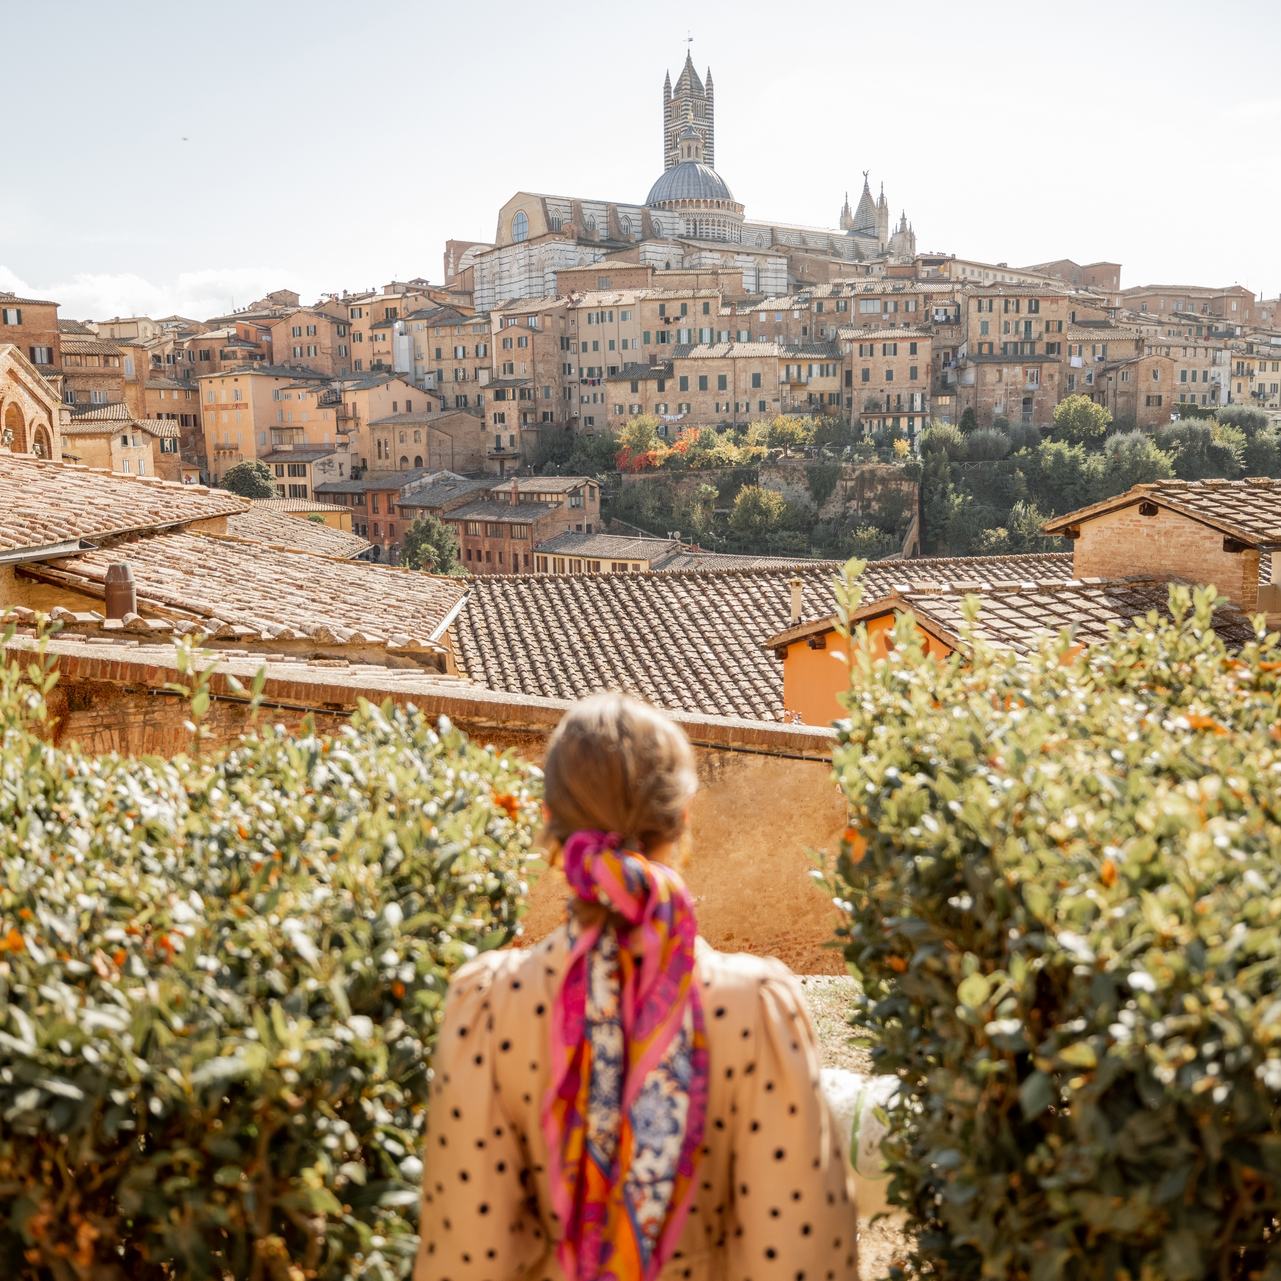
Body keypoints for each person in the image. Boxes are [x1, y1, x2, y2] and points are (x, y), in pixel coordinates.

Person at [415, 692, 859, 1281]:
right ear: (684, 822)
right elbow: (799, 1259)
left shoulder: (491, 1010)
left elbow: (465, 1258)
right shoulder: (755, 1012)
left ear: (549, 828)